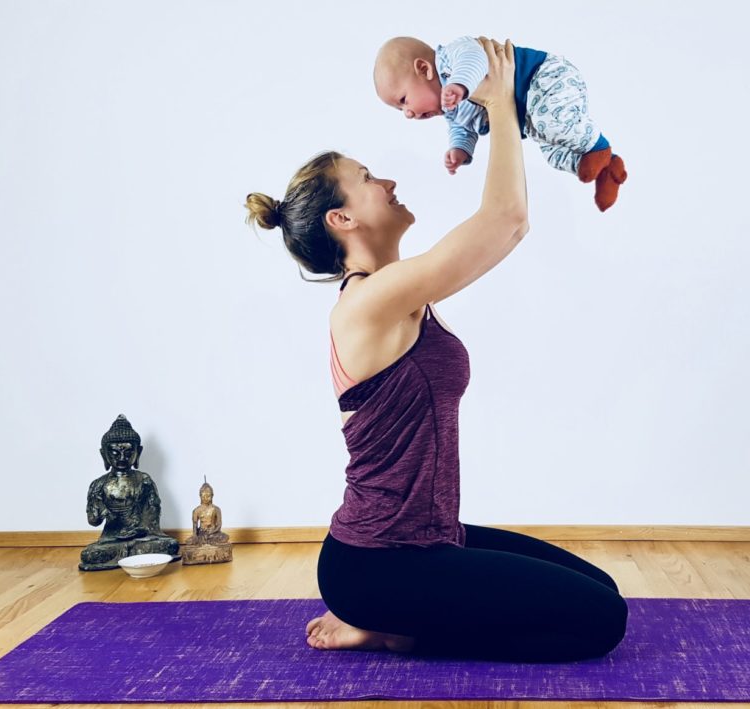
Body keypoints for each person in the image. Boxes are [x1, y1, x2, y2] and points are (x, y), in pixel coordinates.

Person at [244, 38, 627, 663]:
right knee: (601, 622)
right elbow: (507, 220)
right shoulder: (368, 302)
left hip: (428, 539)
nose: (388, 179)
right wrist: (500, 103)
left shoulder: (400, 293)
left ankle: (392, 621)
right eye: (367, 180)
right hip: (380, 563)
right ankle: (397, 629)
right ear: (342, 221)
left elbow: (504, 224)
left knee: (600, 589)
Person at [373, 35, 628, 212]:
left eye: (404, 100)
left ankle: (598, 145)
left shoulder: (451, 58)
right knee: (552, 152)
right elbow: (464, 128)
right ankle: (605, 167)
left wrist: (461, 84)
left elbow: (475, 59)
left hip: (544, 78)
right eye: (399, 110)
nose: (407, 113)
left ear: (424, 69)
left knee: (553, 125)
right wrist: (460, 150)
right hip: (531, 114)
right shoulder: (452, 110)